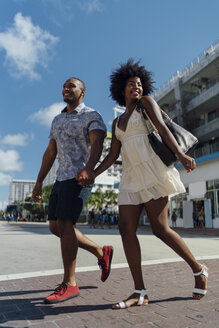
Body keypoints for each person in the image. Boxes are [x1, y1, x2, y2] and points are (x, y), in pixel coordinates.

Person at [78, 59, 208, 309]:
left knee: (160, 229)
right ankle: (139, 291)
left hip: (153, 172)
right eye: (131, 84)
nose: (136, 87)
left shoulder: (146, 105)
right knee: (126, 230)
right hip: (130, 178)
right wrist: (92, 172)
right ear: (121, 90)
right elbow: (113, 155)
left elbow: (163, 129)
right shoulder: (116, 123)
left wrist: (181, 156)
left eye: (139, 84)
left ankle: (198, 269)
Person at [32, 77, 113, 304]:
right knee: (55, 227)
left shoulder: (91, 116)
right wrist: (39, 181)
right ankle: (100, 251)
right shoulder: (57, 119)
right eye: (64, 86)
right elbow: (50, 152)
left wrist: (89, 169)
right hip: (60, 179)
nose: (66, 88)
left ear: (83, 92)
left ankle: (70, 283)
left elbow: (98, 143)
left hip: (80, 178)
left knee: (67, 224)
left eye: (72, 86)